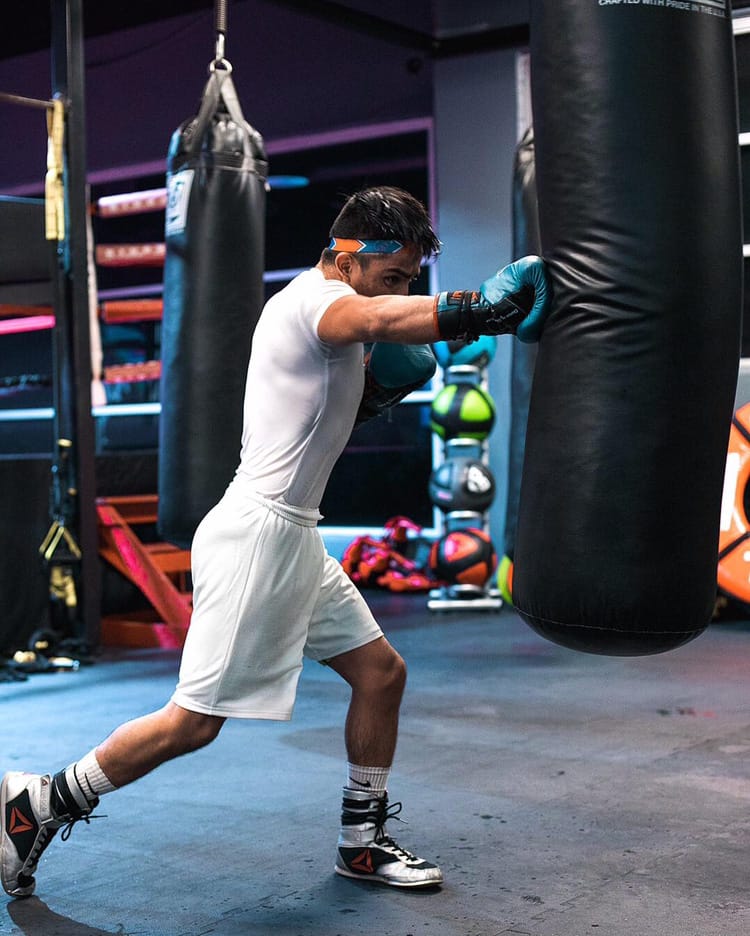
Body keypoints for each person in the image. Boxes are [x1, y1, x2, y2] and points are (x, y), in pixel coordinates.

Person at [0, 186, 550, 899]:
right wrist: (484, 310)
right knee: (191, 725)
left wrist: (372, 393)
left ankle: (361, 845)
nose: (400, 291)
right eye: (393, 276)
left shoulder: (336, 322)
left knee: (381, 675)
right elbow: (374, 317)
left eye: (411, 279)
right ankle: (38, 804)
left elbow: (320, 410)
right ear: (346, 261)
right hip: (256, 537)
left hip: (295, 537)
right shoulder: (313, 302)